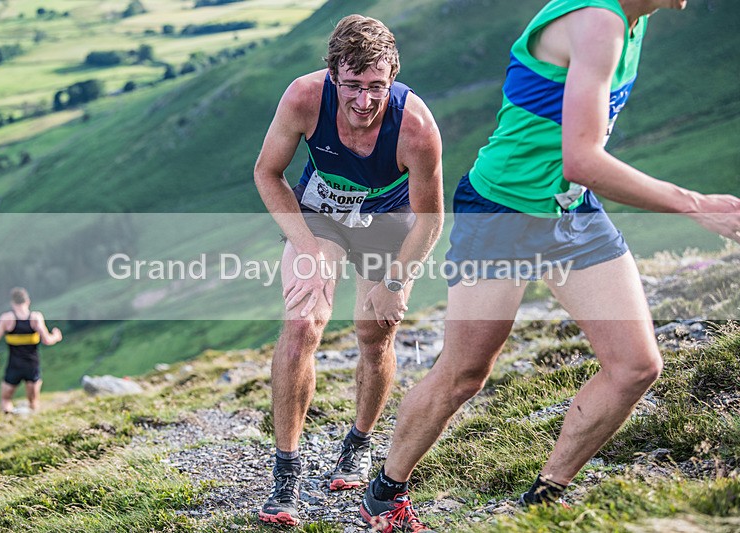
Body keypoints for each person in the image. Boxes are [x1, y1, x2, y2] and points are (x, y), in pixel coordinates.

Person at [360, 0, 740, 530]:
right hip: (503, 211)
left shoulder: (636, 19)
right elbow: (580, 158)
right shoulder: (597, 21)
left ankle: (543, 500)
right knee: (465, 373)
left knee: (635, 366)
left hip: (571, 211)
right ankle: (385, 491)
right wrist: (694, 203)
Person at [253, 14, 443, 527]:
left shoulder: (416, 127)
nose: (364, 101)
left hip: (388, 222)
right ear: (333, 75)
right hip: (321, 214)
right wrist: (305, 246)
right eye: (352, 86)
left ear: (394, 77)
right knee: (302, 322)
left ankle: (356, 444)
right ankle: (286, 471)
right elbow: (267, 173)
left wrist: (398, 281)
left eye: (376, 87)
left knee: (375, 332)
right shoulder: (303, 98)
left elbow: (432, 219)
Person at [0, 287, 63, 413]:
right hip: (32, 365)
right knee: (33, 402)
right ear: (28, 301)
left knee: (6, 399)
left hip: (14, 366)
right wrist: (56, 336)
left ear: (12, 303)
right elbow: (47, 340)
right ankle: (33, 425)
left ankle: (8, 424)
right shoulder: (35, 318)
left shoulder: (7, 319)